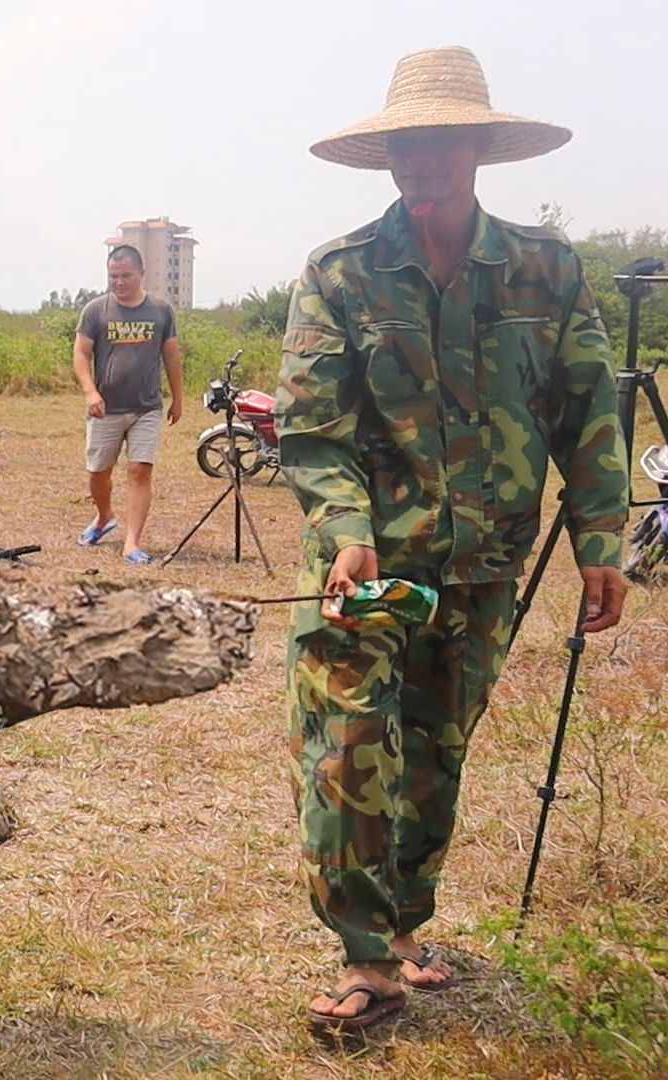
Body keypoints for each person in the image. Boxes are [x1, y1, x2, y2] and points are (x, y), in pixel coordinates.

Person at [275, 45, 629, 1035]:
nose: (420, 157)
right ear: (387, 153)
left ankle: (400, 931)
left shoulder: (546, 269)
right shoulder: (340, 271)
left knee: (434, 749)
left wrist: (603, 537)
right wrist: (346, 527)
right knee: (349, 748)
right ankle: (363, 957)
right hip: (363, 570)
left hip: (482, 571)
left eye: (440, 139)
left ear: (478, 145)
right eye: (405, 142)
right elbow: (310, 425)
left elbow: (588, 407)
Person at [72, 244, 184, 564]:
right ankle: (104, 516)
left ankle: (132, 543)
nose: (119, 282)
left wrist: (178, 398)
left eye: (126, 276)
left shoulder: (161, 310)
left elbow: (172, 357)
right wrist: (90, 392)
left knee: (139, 470)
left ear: (141, 275)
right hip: (105, 408)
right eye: (113, 276)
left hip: (147, 407)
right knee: (98, 472)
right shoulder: (95, 310)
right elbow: (80, 354)